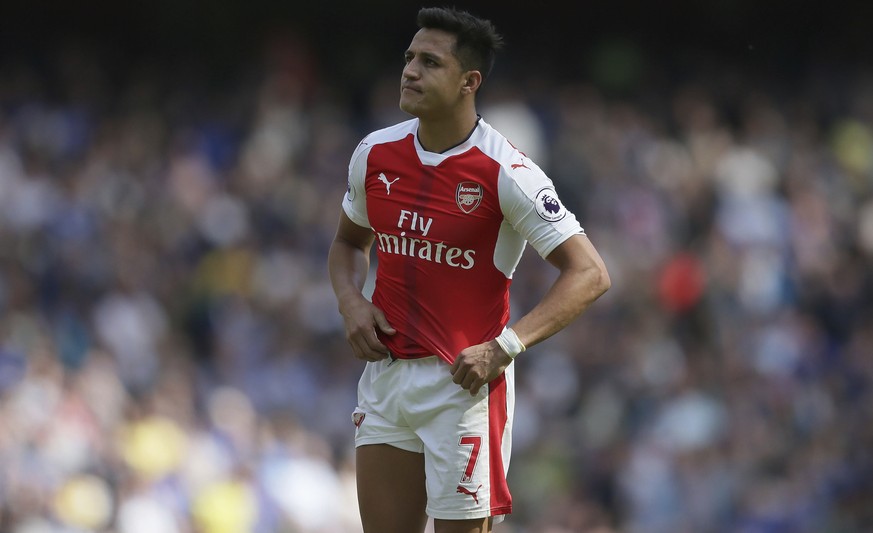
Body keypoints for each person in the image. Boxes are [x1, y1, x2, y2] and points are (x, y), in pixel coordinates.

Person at [327, 7, 611, 533]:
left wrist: (505, 347)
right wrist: (350, 301)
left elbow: (590, 273)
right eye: (409, 58)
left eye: (430, 62)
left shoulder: (507, 171)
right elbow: (348, 243)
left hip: (461, 391)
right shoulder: (374, 153)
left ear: (468, 82)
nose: (409, 71)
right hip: (385, 380)